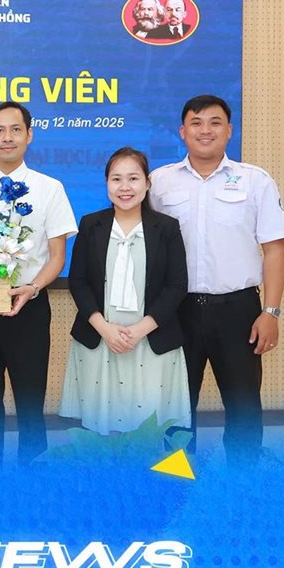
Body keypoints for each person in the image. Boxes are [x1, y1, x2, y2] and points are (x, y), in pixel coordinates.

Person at [149, 94, 284, 467]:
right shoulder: (159, 183)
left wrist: (271, 312)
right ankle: (176, 479)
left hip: (238, 311)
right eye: (196, 123)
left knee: (244, 404)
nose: (205, 130)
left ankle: (243, 481)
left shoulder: (255, 180)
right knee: (175, 405)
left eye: (215, 123)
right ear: (182, 132)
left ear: (229, 130)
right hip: (176, 311)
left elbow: (274, 250)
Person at [0, 102, 78, 467]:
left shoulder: (49, 188)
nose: (7, 137)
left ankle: (32, 481)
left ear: (29, 135)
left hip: (30, 307)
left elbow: (57, 257)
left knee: (30, 405)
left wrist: (32, 288)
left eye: (15, 129)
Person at [58, 148, 190, 443]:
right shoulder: (91, 224)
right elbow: (78, 281)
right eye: (116, 179)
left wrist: (140, 330)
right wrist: (105, 329)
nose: (125, 187)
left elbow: (176, 285)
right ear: (106, 183)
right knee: (102, 432)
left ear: (147, 183)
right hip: (101, 341)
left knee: (155, 432)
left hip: (152, 341)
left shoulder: (167, 227)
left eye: (133, 178)